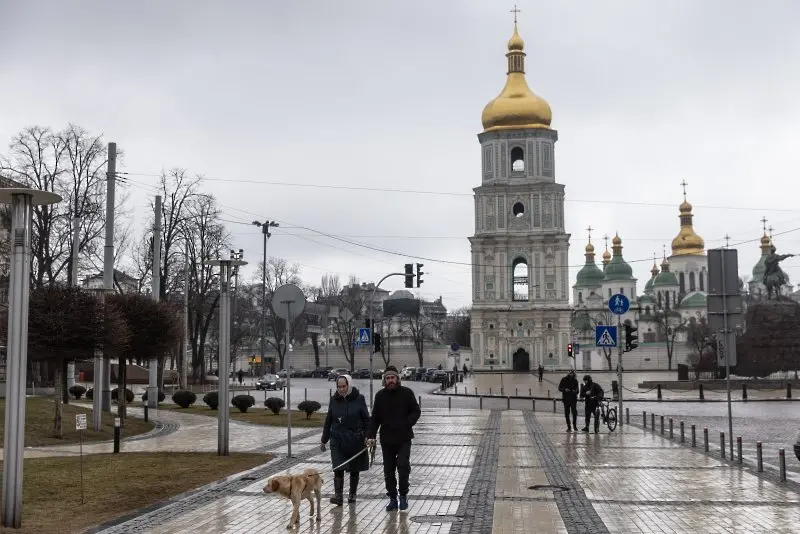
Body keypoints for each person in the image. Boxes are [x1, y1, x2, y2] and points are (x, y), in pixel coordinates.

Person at [367, 365, 421, 512]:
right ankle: (392, 498)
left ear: (397, 379)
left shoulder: (407, 393)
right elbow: (375, 417)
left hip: (404, 437)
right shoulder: (380, 396)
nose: (390, 380)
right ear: (384, 380)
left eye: (393, 377)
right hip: (387, 439)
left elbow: (416, 410)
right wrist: (370, 435)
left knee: (403, 465)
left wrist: (408, 422)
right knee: (388, 470)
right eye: (388, 378)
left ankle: (403, 495)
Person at [320, 374, 370, 505]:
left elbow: (366, 420)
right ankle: (338, 496)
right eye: (339, 387)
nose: (341, 389)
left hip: (355, 439)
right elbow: (328, 420)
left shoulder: (359, 399)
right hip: (337, 439)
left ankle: (352, 494)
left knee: (354, 467)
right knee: (338, 466)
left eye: (344, 386)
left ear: (349, 385)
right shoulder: (333, 400)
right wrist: (324, 440)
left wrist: (367, 436)